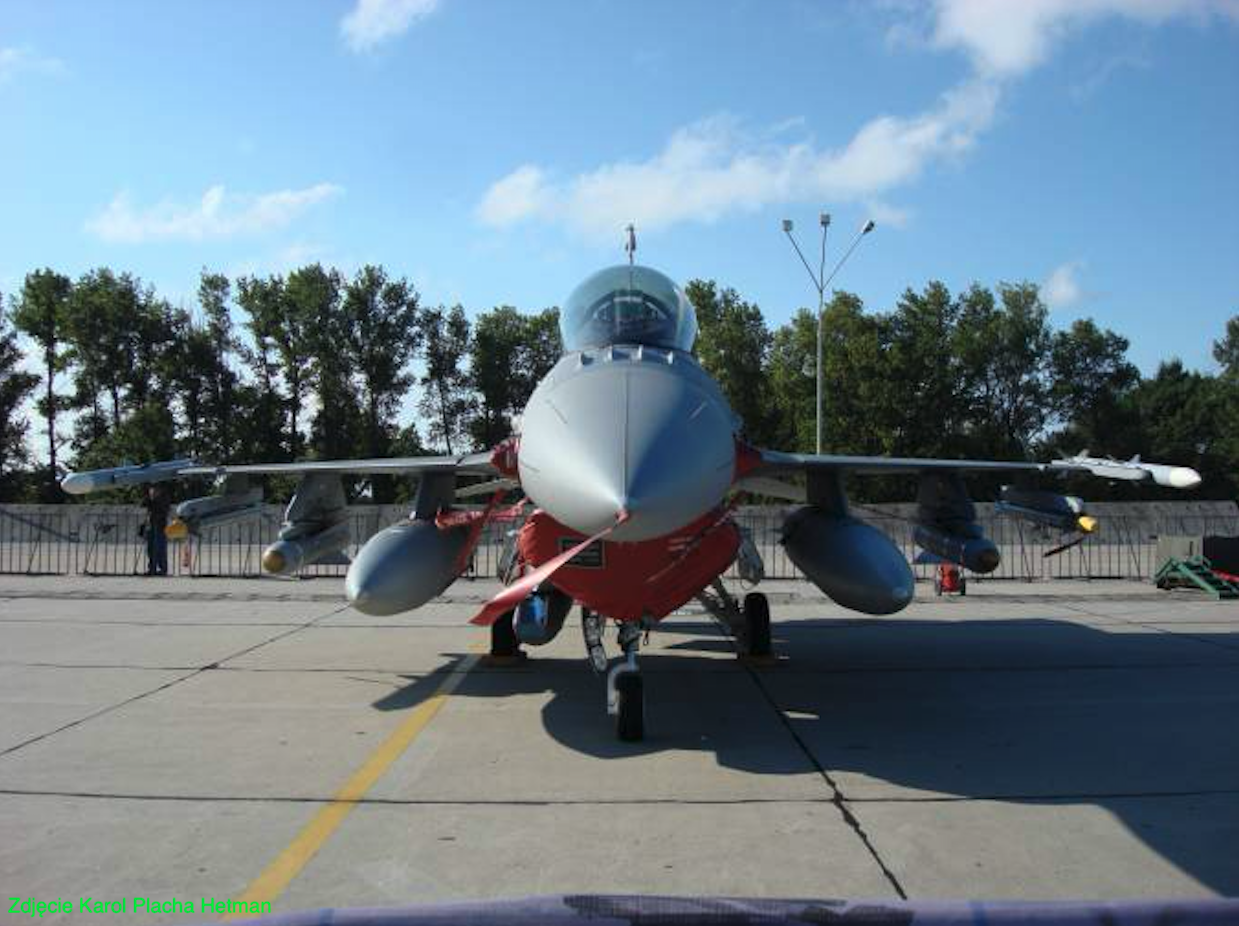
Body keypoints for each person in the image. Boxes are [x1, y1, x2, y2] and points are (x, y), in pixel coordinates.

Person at [142, 484, 171, 576]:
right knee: (151, 549)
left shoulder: (164, 498)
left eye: (154, 490)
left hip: (160, 526)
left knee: (160, 548)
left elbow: (164, 511)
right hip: (151, 526)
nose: (152, 492)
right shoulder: (150, 499)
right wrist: (149, 498)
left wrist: (154, 500)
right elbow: (143, 504)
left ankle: (162, 569)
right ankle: (152, 568)